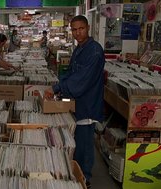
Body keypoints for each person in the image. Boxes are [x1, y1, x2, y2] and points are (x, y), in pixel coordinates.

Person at [52, 15, 105, 188]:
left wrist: (57, 89)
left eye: (81, 28)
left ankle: (85, 179)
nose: (77, 33)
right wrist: (59, 85)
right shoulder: (79, 48)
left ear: (88, 28)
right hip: (77, 103)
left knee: (84, 144)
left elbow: (80, 81)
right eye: (74, 29)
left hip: (87, 105)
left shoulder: (94, 51)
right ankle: (78, 173)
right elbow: (71, 74)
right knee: (78, 141)